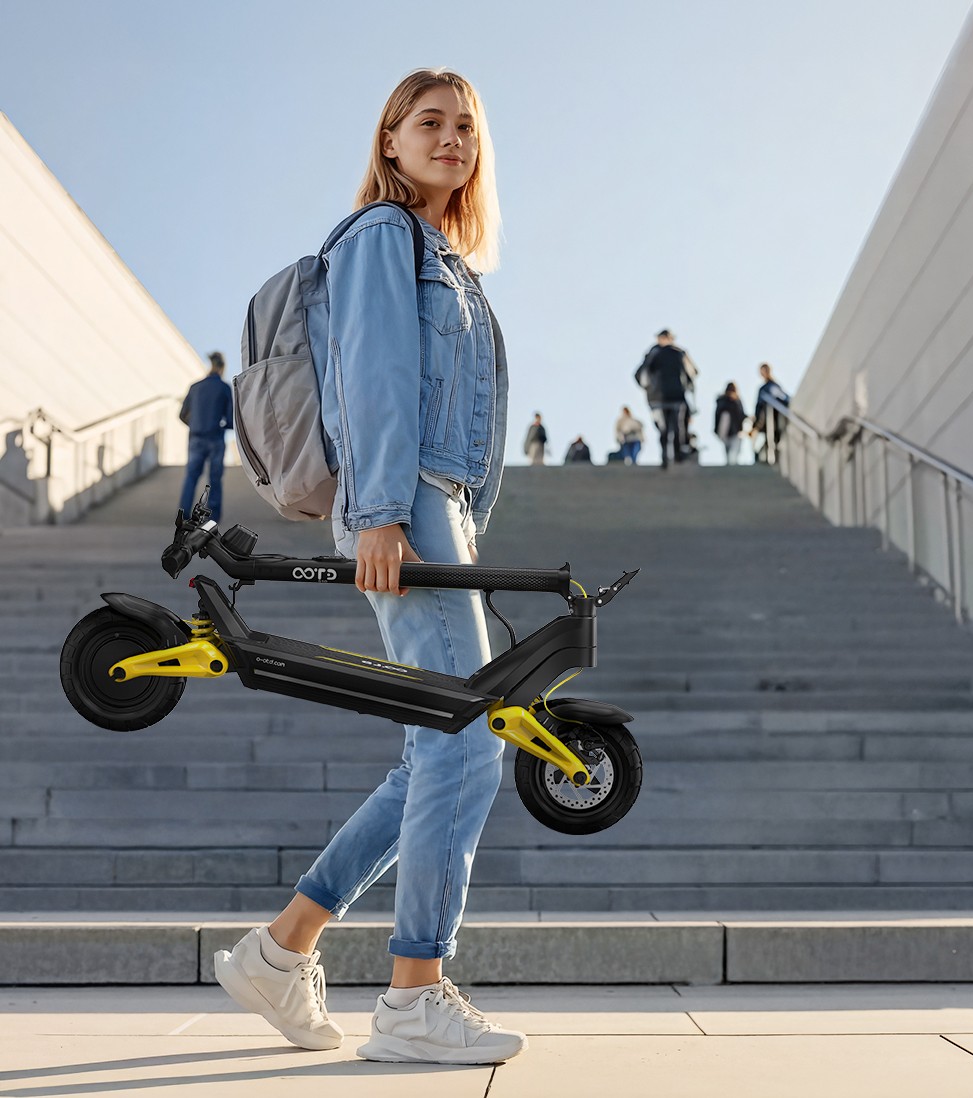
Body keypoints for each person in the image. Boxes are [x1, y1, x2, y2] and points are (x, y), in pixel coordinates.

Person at [213, 69, 526, 1066]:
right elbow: (374, 373)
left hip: (439, 513)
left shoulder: (448, 258)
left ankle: (279, 950)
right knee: (468, 745)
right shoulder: (384, 238)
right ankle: (413, 997)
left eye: (466, 126)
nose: (452, 138)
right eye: (428, 122)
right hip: (406, 502)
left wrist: (452, 526)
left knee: (435, 753)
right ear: (387, 142)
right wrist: (385, 512)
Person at [178, 351, 232, 522]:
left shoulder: (195, 387)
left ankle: (184, 513)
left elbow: (182, 414)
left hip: (195, 437)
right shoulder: (224, 388)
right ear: (222, 368)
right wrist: (222, 425)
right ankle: (213, 517)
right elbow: (230, 420)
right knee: (214, 478)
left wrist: (194, 425)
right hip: (215, 437)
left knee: (191, 476)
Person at [634, 330, 697, 469]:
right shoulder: (679, 353)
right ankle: (676, 455)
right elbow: (693, 373)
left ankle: (667, 457)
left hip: (659, 398)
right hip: (674, 396)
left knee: (666, 428)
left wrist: (648, 389)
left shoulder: (654, 354)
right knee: (675, 426)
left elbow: (640, 375)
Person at [751, 363, 790, 464]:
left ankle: (772, 459)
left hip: (775, 418)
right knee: (768, 439)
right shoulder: (765, 388)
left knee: (774, 438)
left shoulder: (773, 386)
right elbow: (759, 407)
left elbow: (785, 399)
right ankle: (768, 459)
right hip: (766, 420)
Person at [714, 382, 746, 465]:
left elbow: (741, 414)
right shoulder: (722, 401)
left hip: (735, 429)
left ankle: (732, 464)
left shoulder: (737, 401)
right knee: (728, 448)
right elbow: (718, 415)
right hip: (726, 429)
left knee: (734, 449)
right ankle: (730, 465)